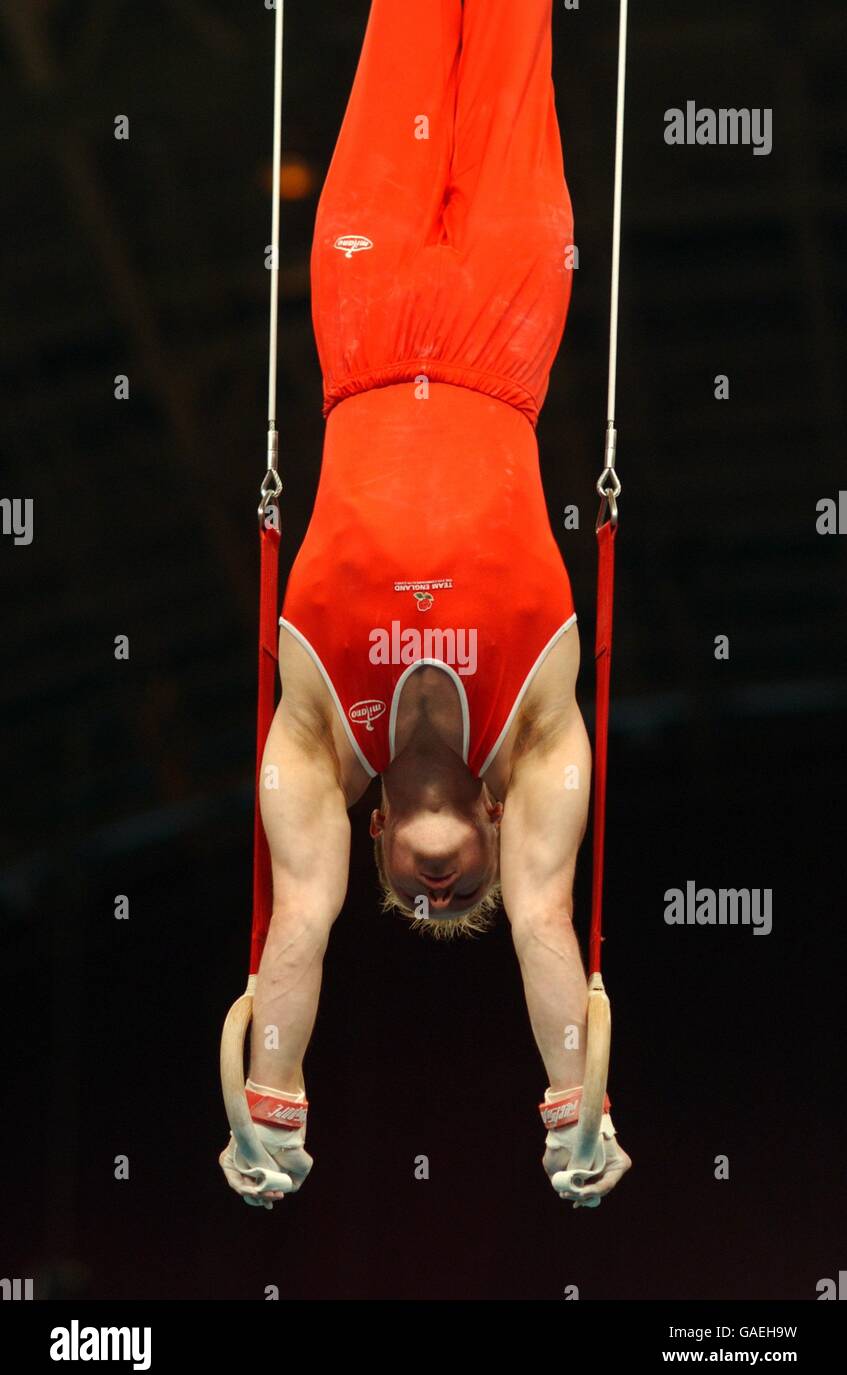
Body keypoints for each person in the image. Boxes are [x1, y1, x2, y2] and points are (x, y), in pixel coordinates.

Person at [221, 0, 631, 1211]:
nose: (441, 892)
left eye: (413, 892)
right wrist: (577, 1112)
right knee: (507, 29)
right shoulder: (541, 741)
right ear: (503, 829)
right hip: (507, 326)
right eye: (467, 895)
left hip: (360, 325)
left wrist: (270, 1101)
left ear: (374, 844)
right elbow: (549, 926)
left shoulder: (314, 742)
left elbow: (296, 919)